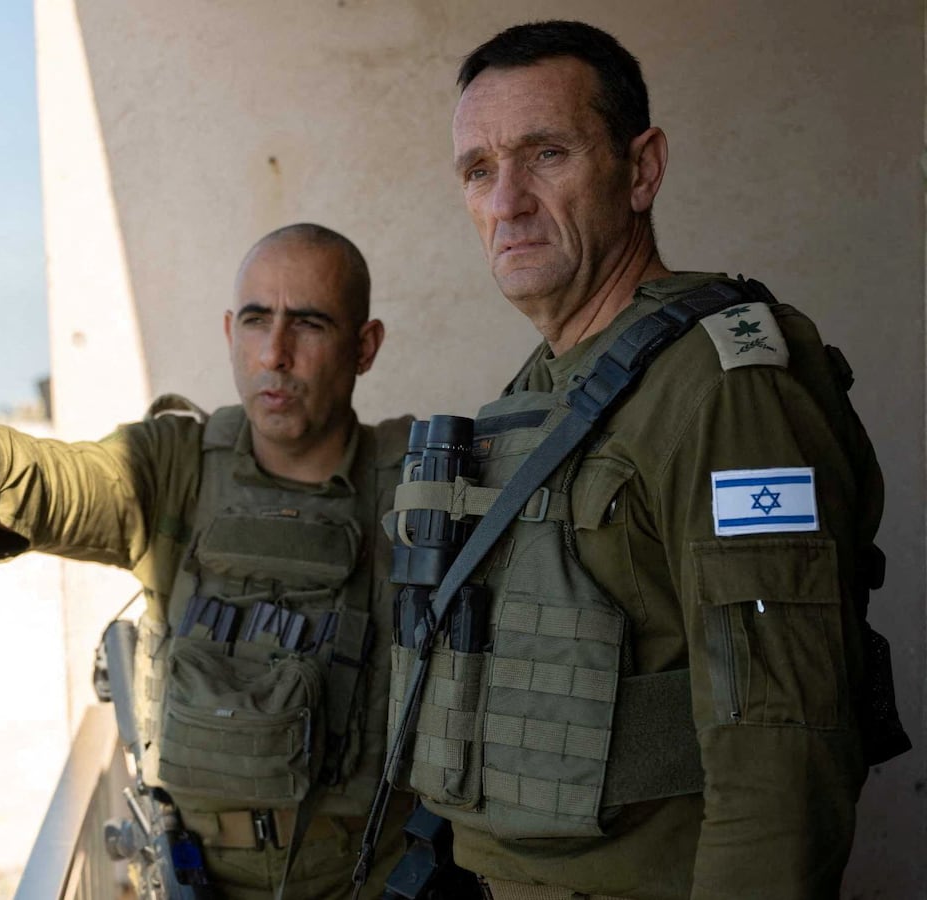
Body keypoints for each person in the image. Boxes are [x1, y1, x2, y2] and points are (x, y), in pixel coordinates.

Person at [380, 20, 886, 900]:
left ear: (641, 168)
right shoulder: (546, 383)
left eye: (546, 154)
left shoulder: (725, 387)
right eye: (478, 170)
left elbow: (782, 750)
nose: (508, 202)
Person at [0, 223, 418, 898]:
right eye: (257, 320)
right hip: (197, 878)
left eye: (309, 324)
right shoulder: (174, 467)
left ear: (364, 347)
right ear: (230, 331)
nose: (275, 353)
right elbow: (60, 483)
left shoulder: (413, 485)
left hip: (370, 882)